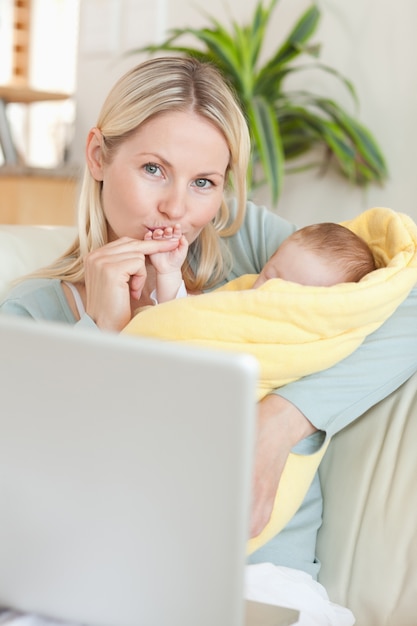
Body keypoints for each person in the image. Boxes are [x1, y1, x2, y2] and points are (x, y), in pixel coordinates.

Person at [1, 56, 417, 583]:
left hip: (267, 582)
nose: (177, 208)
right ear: (99, 156)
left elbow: (405, 298)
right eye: (154, 169)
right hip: (123, 583)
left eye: (204, 182)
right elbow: (37, 494)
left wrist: (279, 422)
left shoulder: (254, 253)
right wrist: (103, 336)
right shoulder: (31, 313)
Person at [146, 220, 377, 303]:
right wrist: (168, 272)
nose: (269, 291)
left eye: (292, 293)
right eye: (270, 276)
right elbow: (178, 318)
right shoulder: (237, 298)